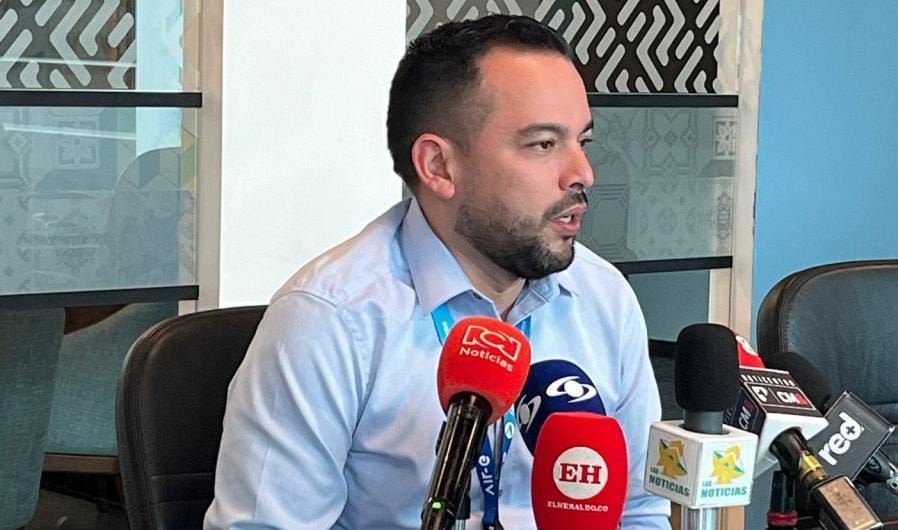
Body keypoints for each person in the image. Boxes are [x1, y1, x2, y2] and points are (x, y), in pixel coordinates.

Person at [204, 14, 670, 530]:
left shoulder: (604, 297)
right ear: (439, 167)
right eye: (543, 144)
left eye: (584, 141)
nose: (582, 173)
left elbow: (638, 511)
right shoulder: (330, 320)